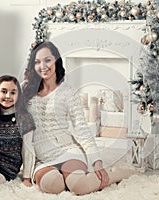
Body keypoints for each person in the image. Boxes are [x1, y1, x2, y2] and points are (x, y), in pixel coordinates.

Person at [22, 41, 136, 195]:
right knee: (53, 186)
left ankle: (117, 173)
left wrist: (96, 161)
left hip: (68, 150)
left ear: (56, 60)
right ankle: (65, 177)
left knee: (79, 186)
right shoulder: (26, 89)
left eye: (47, 60)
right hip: (41, 158)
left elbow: (82, 129)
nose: (43, 66)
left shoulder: (69, 92)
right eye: (37, 62)